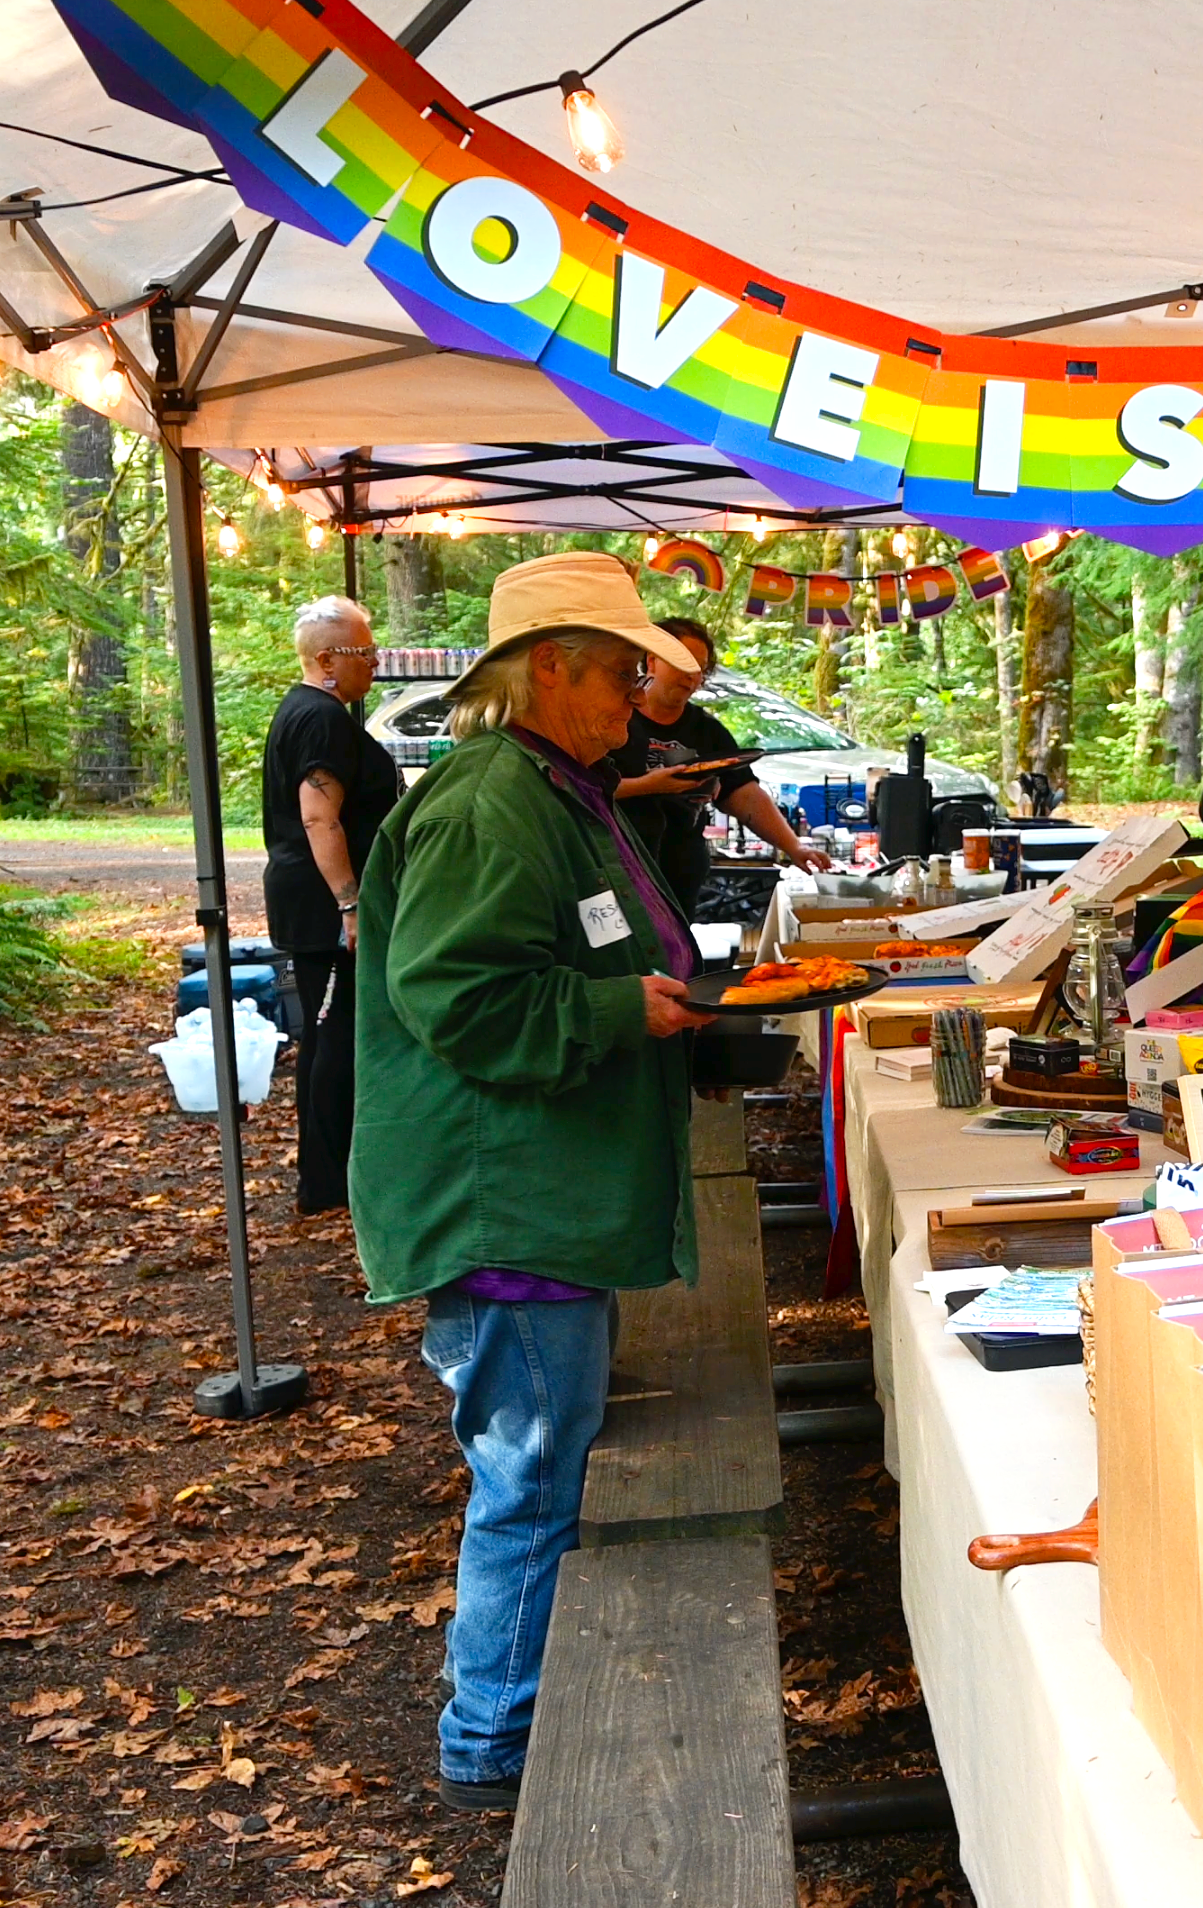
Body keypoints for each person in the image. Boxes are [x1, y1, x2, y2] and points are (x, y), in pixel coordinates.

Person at [348, 551, 715, 1813]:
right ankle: (494, 1743)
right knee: (530, 1472)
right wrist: (624, 1013)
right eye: (620, 670)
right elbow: (460, 994)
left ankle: (508, 1717)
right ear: (546, 666)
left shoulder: (554, 786)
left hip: (537, 1193)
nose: (635, 692)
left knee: (541, 1463)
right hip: (505, 1206)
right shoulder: (487, 803)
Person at [259, 596, 400, 1215]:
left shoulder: (318, 711)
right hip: (323, 905)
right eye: (362, 653)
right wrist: (352, 905)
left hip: (318, 899)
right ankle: (328, 1183)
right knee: (333, 1037)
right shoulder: (319, 719)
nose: (373, 662)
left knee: (331, 1038)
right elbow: (319, 817)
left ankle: (331, 1176)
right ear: (325, 660)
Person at [609, 614, 830, 908]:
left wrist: (794, 846)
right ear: (652, 661)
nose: (691, 677)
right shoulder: (614, 720)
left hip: (680, 871)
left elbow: (744, 794)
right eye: (683, 664)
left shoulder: (707, 731)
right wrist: (647, 786)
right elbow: (580, 786)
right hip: (618, 868)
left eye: (699, 669)